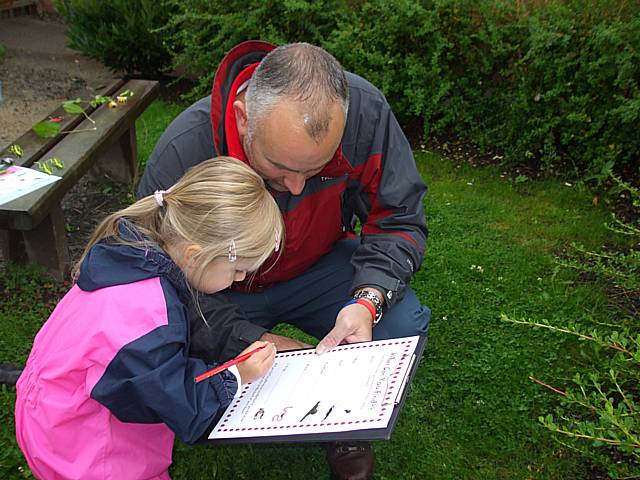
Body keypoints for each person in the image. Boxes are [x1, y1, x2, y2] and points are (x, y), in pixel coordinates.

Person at [138, 41, 431, 480]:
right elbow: (160, 283)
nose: (295, 188)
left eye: (314, 171)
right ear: (243, 118)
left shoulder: (365, 113)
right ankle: (225, 395)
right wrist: (250, 339)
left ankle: (346, 428)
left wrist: (367, 299)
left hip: (319, 265)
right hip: (222, 292)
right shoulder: (186, 149)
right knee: (170, 343)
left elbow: (399, 218)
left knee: (400, 324)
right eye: (277, 167)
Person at [15, 157, 283, 480]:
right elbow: (184, 406)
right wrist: (235, 377)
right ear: (195, 255)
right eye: (238, 269)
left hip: (57, 406)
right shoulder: (147, 316)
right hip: (82, 445)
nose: (239, 279)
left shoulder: (133, 253)